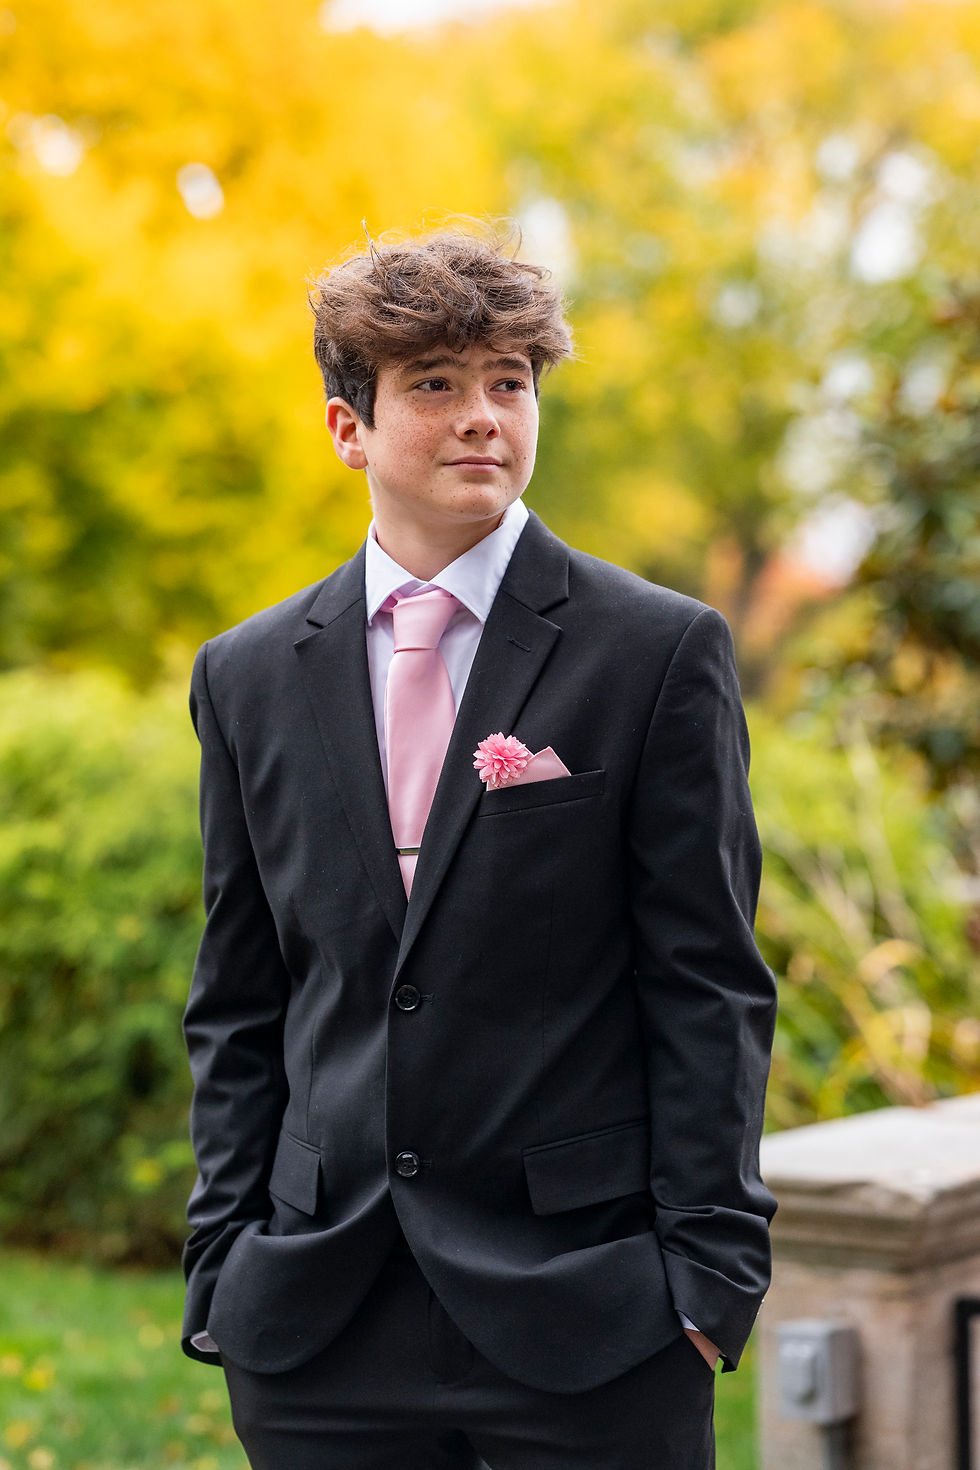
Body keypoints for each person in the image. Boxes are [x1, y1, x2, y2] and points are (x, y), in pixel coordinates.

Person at [179, 223, 777, 1469]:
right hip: (317, 1324)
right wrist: (221, 1262)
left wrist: (707, 1279)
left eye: (508, 382)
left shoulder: (655, 651)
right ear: (346, 426)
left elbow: (706, 983)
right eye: (435, 384)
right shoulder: (246, 676)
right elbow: (241, 995)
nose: (480, 418)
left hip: (592, 1313)